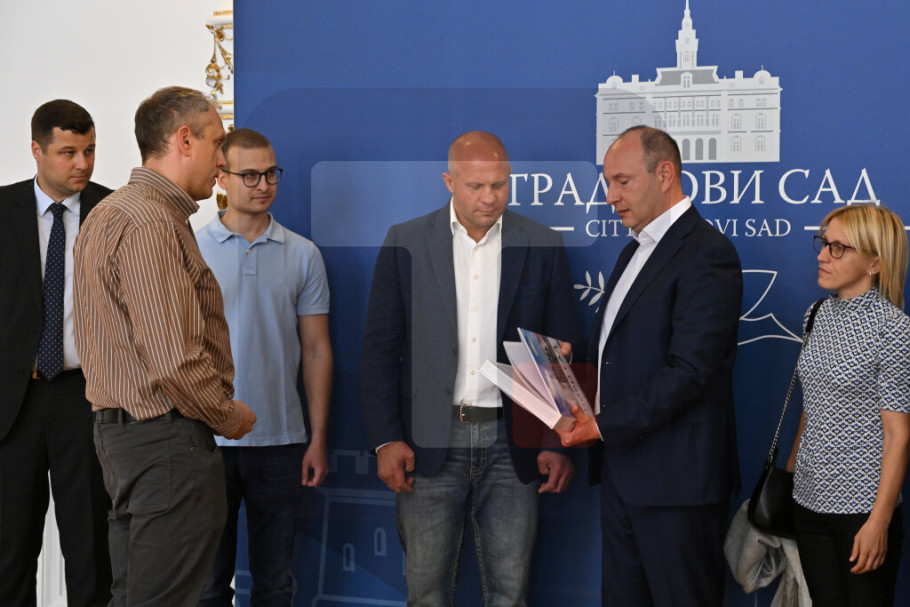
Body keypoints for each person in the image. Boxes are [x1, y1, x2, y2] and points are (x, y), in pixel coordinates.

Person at [362, 131, 583, 606]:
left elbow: (565, 349)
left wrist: (556, 441)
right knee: (426, 593)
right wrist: (385, 439)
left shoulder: (541, 243)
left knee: (511, 593)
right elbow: (380, 349)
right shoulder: (405, 240)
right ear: (449, 182)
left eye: (499, 185)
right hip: (428, 441)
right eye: (475, 186)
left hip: (514, 442)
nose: (489, 197)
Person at [73, 86, 257, 607]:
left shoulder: (110, 212)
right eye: (217, 142)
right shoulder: (151, 221)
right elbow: (174, 357)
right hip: (165, 444)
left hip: (127, 441)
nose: (222, 160)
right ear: (184, 140)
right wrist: (227, 415)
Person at [557, 125, 743, 606]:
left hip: (677, 487)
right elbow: (625, 348)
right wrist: (572, 360)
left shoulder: (708, 253)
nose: (611, 197)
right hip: (623, 476)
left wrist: (602, 425)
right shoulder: (633, 250)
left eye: (622, 181)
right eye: (608, 183)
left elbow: (690, 373)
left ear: (664, 174)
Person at [196, 128, 333, 606]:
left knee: (275, 586)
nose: (263, 184)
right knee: (208, 587)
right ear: (222, 178)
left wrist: (317, 438)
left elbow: (316, 351)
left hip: (280, 442)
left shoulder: (303, 253)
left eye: (271, 173)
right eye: (250, 175)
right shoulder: (190, 248)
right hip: (206, 440)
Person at [0, 100, 112, 607]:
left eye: (89, 150)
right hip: (12, 405)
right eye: (68, 152)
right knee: (9, 554)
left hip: (87, 400)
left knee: (92, 554)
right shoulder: (2, 210)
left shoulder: (113, 211)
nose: (82, 163)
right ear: (36, 150)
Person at [785, 204, 910, 606]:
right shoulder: (816, 315)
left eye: (839, 248)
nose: (823, 255)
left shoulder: (893, 328)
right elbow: (812, 405)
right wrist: (790, 477)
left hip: (862, 510)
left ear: (875, 262)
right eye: (824, 243)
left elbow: (898, 435)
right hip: (807, 503)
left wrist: (879, 521)